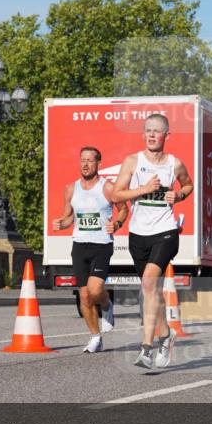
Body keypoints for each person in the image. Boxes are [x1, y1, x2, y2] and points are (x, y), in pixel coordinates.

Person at [112, 113, 194, 369]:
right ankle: (166, 335)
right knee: (152, 291)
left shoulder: (174, 164)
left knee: (149, 282)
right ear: (142, 134)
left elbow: (188, 185)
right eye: (147, 130)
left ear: (166, 135)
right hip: (138, 235)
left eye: (156, 130)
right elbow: (116, 195)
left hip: (165, 231)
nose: (151, 134)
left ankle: (146, 349)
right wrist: (144, 190)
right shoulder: (132, 161)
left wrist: (178, 195)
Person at [52, 146, 127, 353]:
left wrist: (117, 224)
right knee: (84, 296)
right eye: (82, 160)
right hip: (79, 245)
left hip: (101, 245)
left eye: (89, 160)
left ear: (98, 163)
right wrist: (61, 223)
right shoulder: (71, 189)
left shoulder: (108, 188)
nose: (85, 164)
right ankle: (95, 337)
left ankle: (107, 305)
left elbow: (123, 210)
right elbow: (69, 217)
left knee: (94, 291)